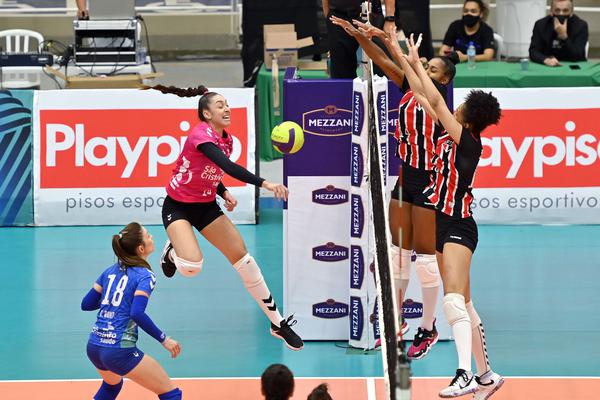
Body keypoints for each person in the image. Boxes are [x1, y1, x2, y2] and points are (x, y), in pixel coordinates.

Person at [330, 17, 457, 359]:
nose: (425, 69)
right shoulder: (409, 86)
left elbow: (400, 61)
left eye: (432, 68)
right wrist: (359, 37)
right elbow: (382, 61)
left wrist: (389, 40)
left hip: (430, 181)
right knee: (398, 257)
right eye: (425, 65)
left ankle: (427, 328)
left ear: (443, 79)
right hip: (406, 177)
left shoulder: (436, 99)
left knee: (426, 262)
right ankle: (395, 322)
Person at [145, 85, 304, 351]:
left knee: (245, 260)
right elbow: (228, 166)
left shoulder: (225, 139)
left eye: (227, 104)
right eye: (220, 106)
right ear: (206, 114)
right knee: (191, 267)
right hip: (179, 205)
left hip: (206, 206)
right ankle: (171, 253)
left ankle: (277, 323)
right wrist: (265, 183)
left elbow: (210, 168)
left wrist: (222, 190)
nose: (227, 109)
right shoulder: (200, 134)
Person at [404, 35, 503, 399]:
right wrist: (414, 65)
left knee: (452, 302)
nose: (454, 106)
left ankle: (463, 374)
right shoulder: (450, 136)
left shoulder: (467, 141)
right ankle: (487, 375)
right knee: (465, 304)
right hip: (442, 221)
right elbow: (422, 96)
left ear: (468, 115)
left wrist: (417, 63)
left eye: (460, 105)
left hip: (460, 226)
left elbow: (434, 99)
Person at [81, 222, 182, 400]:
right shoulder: (145, 275)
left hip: (95, 346)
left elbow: (86, 304)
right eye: (148, 235)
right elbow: (136, 313)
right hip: (118, 350)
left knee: (112, 386)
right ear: (141, 248)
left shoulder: (109, 272)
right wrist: (164, 339)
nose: (152, 237)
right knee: (171, 394)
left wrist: (113, 299)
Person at [323, 0, 388, 78]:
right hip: (338, 14)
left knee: (380, 67)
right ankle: (345, 89)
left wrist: (390, 18)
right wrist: (329, 19)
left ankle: (381, 87)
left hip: (371, 13)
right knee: (341, 71)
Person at [529, 0, 588, 66]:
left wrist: (564, 37)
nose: (561, 14)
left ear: (571, 12)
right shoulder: (541, 25)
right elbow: (533, 52)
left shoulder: (581, 26)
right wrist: (546, 60)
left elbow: (578, 56)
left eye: (565, 10)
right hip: (547, 66)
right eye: (557, 10)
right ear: (551, 11)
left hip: (573, 66)